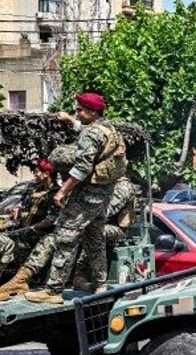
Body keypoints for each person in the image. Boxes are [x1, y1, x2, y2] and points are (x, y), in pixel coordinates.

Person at [26, 92, 127, 304]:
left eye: (80, 110)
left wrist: (63, 191)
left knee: (65, 237)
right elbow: (92, 135)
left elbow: (82, 167)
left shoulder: (90, 135)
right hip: (103, 197)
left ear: (92, 111)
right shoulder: (110, 129)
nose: (76, 113)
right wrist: (71, 121)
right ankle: (101, 284)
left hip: (86, 196)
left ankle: (53, 291)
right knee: (94, 239)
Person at [0, 158, 58, 272]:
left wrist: (28, 228)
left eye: (36, 171)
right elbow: (24, 208)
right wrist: (17, 210)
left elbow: (50, 220)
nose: (34, 174)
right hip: (23, 228)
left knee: (4, 241)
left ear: (46, 173)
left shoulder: (55, 193)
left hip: (38, 233)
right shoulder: (34, 190)